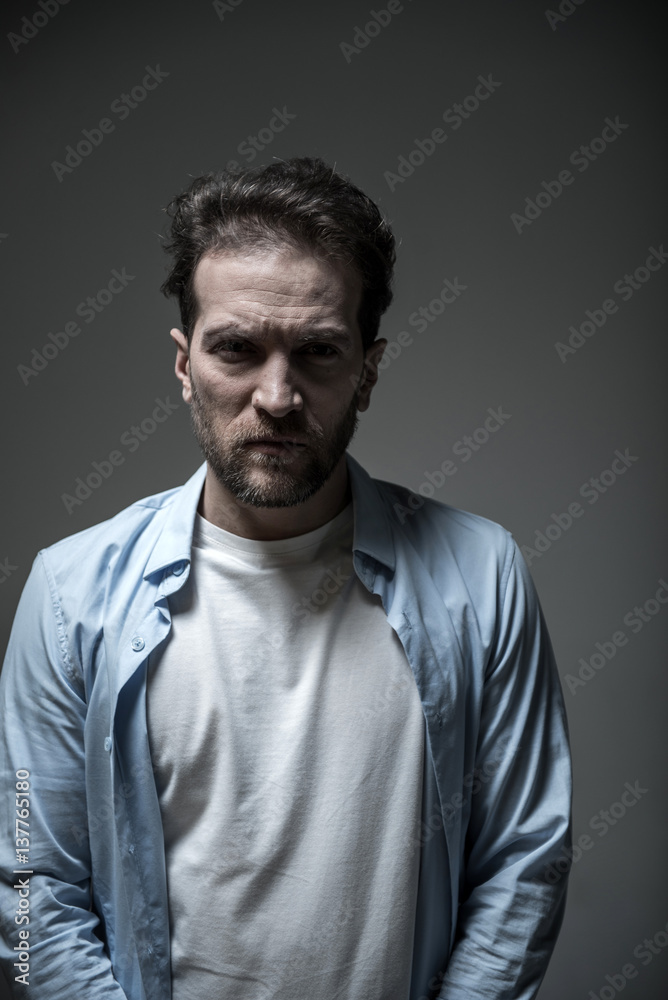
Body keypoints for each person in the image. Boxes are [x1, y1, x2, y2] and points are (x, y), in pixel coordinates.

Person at [0, 157, 572, 1000]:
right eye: (236, 348)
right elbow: (30, 889)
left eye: (317, 352)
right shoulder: (68, 591)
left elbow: (525, 862)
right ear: (185, 362)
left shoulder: (482, 575)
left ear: (366, 370)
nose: (277, 395)